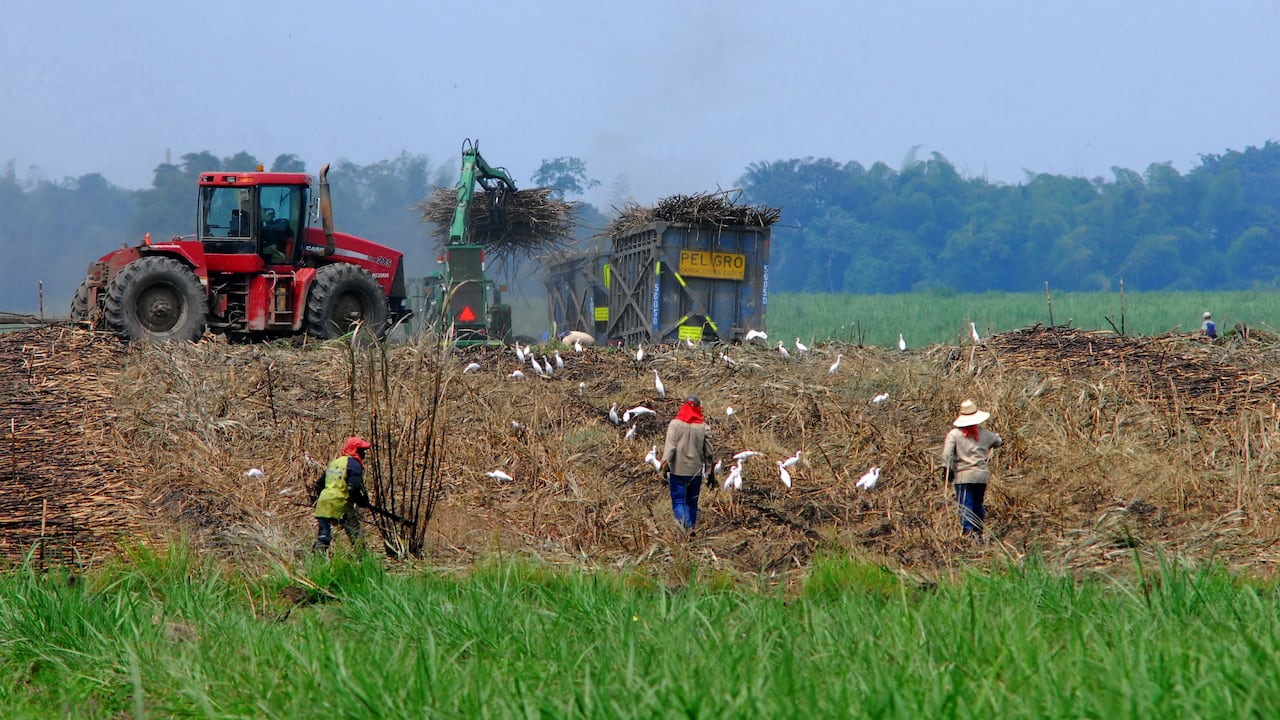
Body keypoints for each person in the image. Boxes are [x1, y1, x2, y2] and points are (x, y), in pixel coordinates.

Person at [941, 400, 1003, 538]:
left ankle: (968, 533)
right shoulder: (985, 434)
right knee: (977, 503)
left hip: (963, 476)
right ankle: (978, 531)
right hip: (981, 475)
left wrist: (947, 469)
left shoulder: (954, 434)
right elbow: (999, 441)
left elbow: (947, 454)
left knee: (965, 505)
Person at [659, 396, 715, 533]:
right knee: (692, 503)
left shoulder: (675, 424)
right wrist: (709, 472)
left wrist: (663, 465)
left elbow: (670, 448)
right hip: (695, 472)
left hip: (678, 471)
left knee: (678, 502)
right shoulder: (704, 428)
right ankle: (690, 530)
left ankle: (687, 529)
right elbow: (709, 453)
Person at [313, 436, 372, 552]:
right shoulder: (354, 465)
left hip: (323, 503)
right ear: (356, 451)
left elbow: (319, 484)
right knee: (356, 534)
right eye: (362, 451)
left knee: (323, 536)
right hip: (341, 504)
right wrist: (361, 501)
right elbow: (352, 488)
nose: (364, 455)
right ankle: (363, 560)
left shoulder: (335, 463)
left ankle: (317, 559)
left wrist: (325, 497)